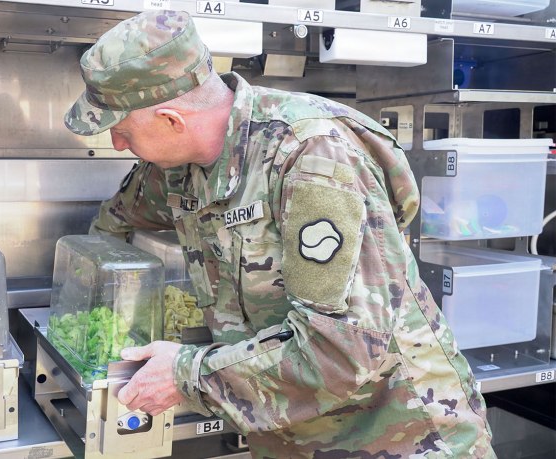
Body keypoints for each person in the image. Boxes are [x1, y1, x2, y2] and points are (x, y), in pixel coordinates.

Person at [64, 9, 495, 458]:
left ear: (173, 120)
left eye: (122, 130)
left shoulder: (311, 158)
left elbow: (341, 353)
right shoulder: (179, 166)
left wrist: (184, 375)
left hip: (395, 435)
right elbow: (119, 216)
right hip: (288, 434)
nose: (117, 144)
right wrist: (93, 292)